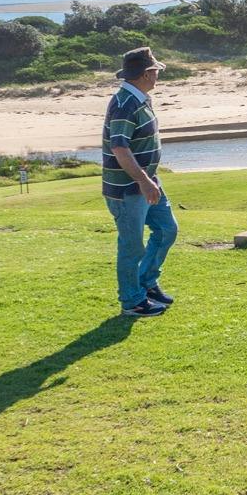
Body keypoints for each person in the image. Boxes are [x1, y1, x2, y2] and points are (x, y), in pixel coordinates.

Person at [103, 46, 178, 318]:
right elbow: (120, 148)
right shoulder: (125, 104)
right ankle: (132, 301)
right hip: (128, 189)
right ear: (147, 73)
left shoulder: (140, 98)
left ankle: (146, 283)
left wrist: (149, 180)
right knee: (132, 246)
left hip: (147, 181)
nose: (158, 75)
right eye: (156, 71)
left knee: (167, 229)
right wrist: (145, 181)